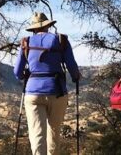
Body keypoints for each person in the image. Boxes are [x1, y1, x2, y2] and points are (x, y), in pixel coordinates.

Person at [13, 12, 81, 155]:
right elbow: (72, 67)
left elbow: (17, 72)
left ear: (34, 29)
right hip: (57, 91)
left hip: (33, 93)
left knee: (37, 134)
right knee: (54, 132)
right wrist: (76, 77)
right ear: (48, 26)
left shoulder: (26, 42)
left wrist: (26, 74)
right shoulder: (60, 40)